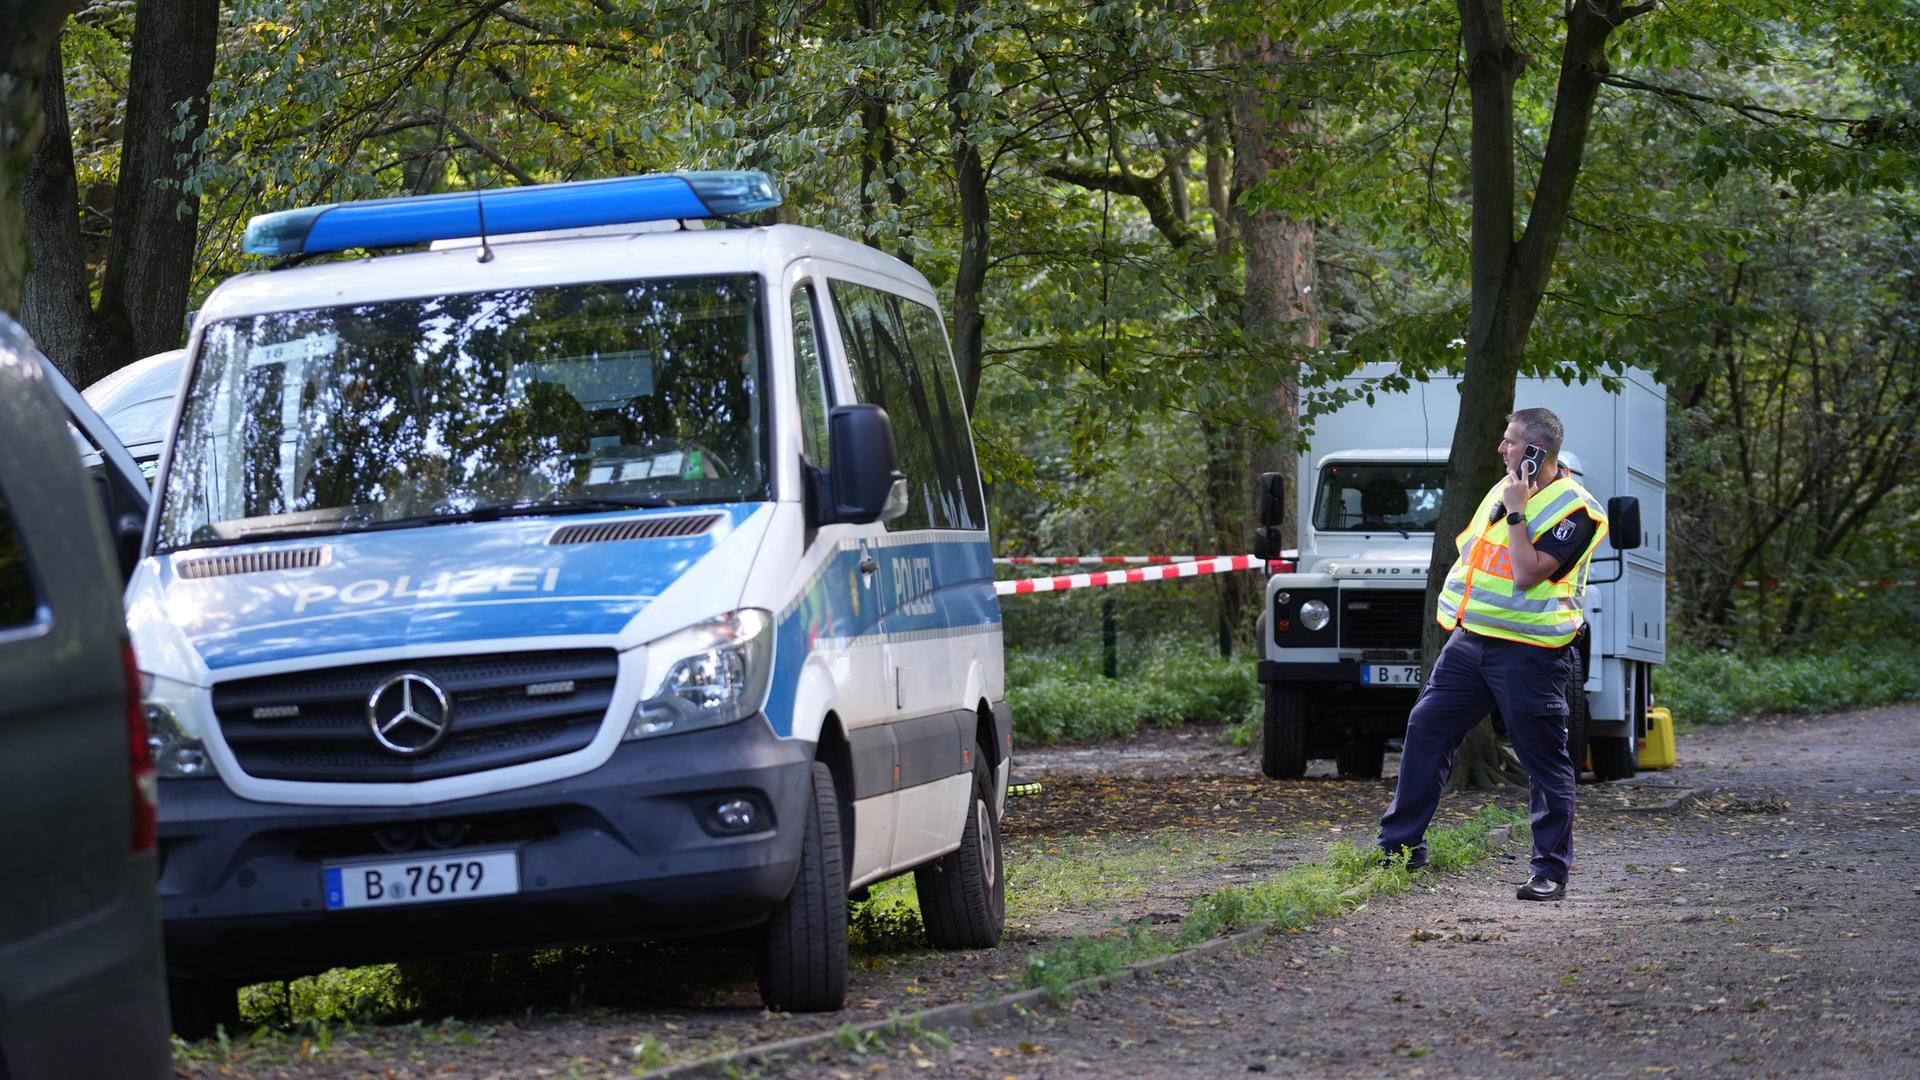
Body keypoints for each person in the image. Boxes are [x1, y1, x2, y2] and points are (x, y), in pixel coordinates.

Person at [1377, 407, 1609, 901]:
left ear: (1535, 451)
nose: (1501, 449)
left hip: (1531, 655)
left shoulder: (1577, 510)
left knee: (1544, 761)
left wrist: (1520, 510)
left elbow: (1527, 573)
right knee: (1425, 732)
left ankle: (1549, 871)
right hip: (1469, 644)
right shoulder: (1499, 490)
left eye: (1510, 442)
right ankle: (1399, 849)